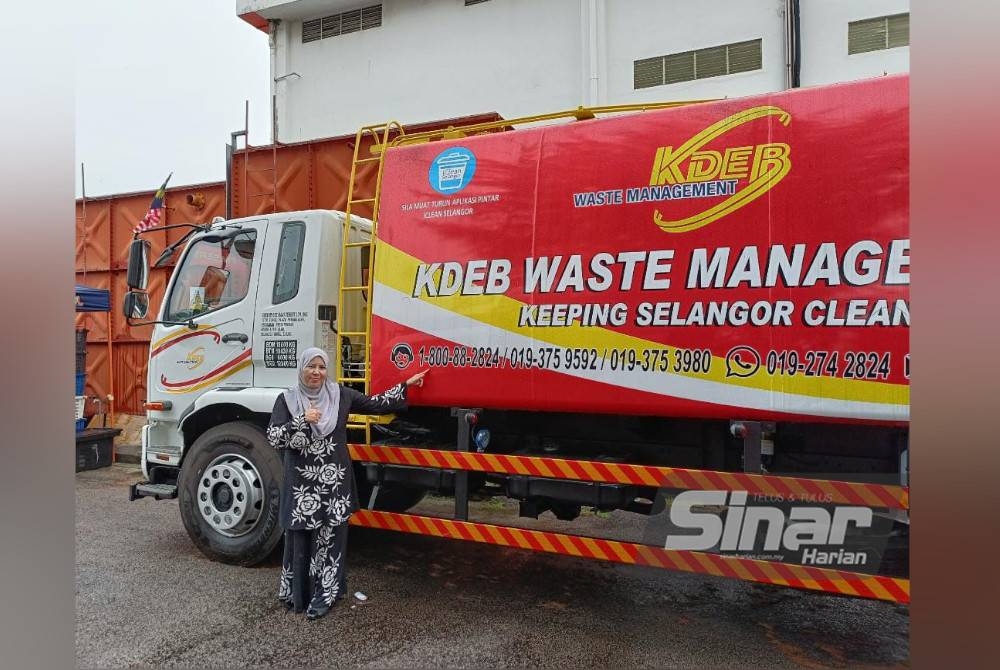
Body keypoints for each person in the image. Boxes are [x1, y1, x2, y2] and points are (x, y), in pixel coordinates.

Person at [267, 346, 427, 620]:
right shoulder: (287, 400)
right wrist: (301, 421)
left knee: (331, 540)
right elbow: (274, 437)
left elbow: (376, 404)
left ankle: (325, 595)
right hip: (302, 485)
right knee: (301, 536)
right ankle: (298, 594)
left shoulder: (341, 395)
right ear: (301, 369)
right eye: (311, 366)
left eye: (321, 367)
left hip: (334, 482)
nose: (316, 372)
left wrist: (406, 385)